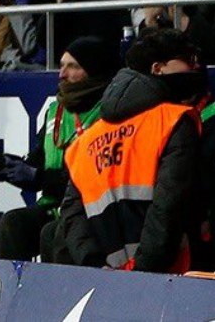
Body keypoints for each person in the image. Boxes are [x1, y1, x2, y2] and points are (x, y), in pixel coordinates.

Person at [57, 29, 205, 272]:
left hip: (104, 279)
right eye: (188, 62)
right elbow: (168, 208)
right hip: (167, 279)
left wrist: (95, 266)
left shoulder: (88, 138)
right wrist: (141, 274)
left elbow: (72, 216)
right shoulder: (173, 121)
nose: (194, 69)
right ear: (158, 69)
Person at [0, 36, 116, 261]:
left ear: (94, 72)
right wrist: (1, 162)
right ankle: (13, 294)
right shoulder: (56, 111)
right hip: (52, 208)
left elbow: (97, 179)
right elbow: (36, 166)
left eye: (73, 67)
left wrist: (40, 176)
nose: (62, 74)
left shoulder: (109, 113)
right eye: (62, 65)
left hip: (88, 211)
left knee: (42, 232)